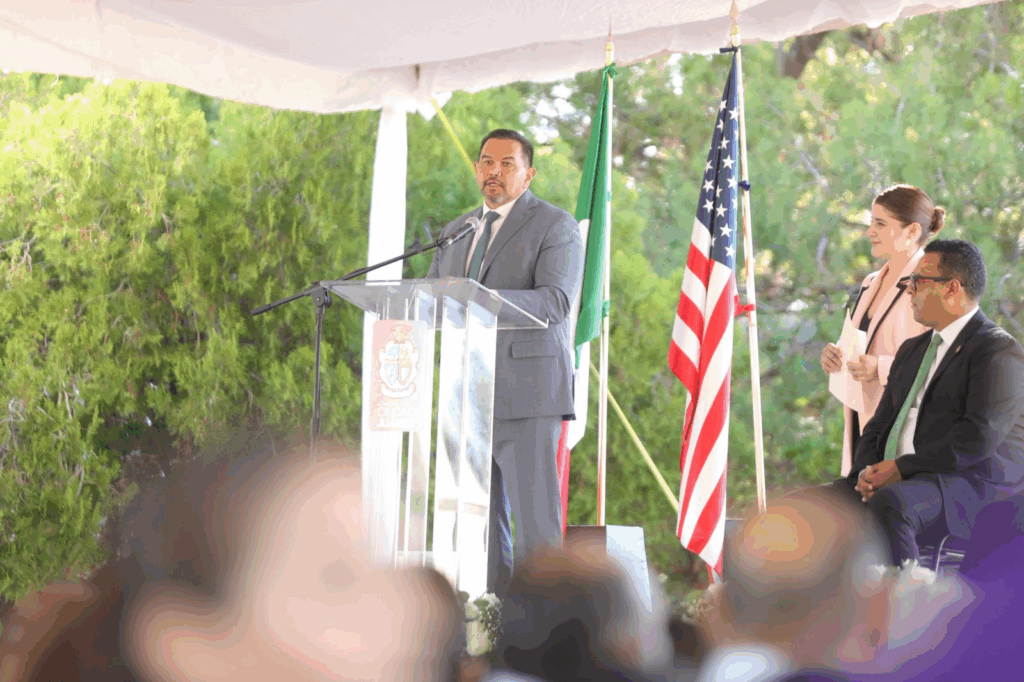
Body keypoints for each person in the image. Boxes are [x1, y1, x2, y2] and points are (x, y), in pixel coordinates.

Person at [426, 129, 584, 595]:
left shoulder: (555, 225)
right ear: (477, 169)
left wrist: (481, 298)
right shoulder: (457, 230)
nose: (494, 171)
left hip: (528, 395)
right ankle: (492, 620)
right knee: (481, 533)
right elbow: (432, 299)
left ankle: (549, 625)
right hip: (466, 396)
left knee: (536, 530)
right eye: (486, 162)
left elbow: (555, 303)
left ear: (528, 174)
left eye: (506, 164)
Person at [832, 239, 1024, 567]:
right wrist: (866, 474)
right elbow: (878, 427)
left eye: (918, 281)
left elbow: (975, 441)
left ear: (951, 288)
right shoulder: (913, 350)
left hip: (969, 485)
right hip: (902, 479)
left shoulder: (998, 352)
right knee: (805, 507)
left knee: (891, 504)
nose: (909, 290)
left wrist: (901, 470)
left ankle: (907, 595)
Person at [821, 185, 945, 477]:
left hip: (898, 432)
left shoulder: (931, 286)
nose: (869, 232)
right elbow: (863, 341)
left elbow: (940, 363)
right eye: (871, 222)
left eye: (880, 223)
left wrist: (881, 367)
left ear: (912, 231)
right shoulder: (870, 282)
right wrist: (835, 356)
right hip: (859, 420)